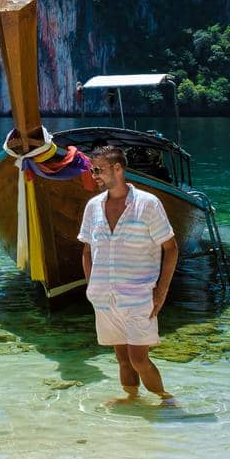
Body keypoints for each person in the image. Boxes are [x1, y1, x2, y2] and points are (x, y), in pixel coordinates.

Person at [78, 144, 179, 402]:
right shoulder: (93, 207)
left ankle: (165, 400)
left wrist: (161, 292)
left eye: (98, 170)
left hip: (138, 296)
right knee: (122, 359)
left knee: (139, 358)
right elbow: (87, 251)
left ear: (118, 168)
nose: (94, 176)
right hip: (104, 298)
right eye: (92, 170)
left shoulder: (148, 204)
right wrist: (92, 288)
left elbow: (171, 248)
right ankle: (132, 402)